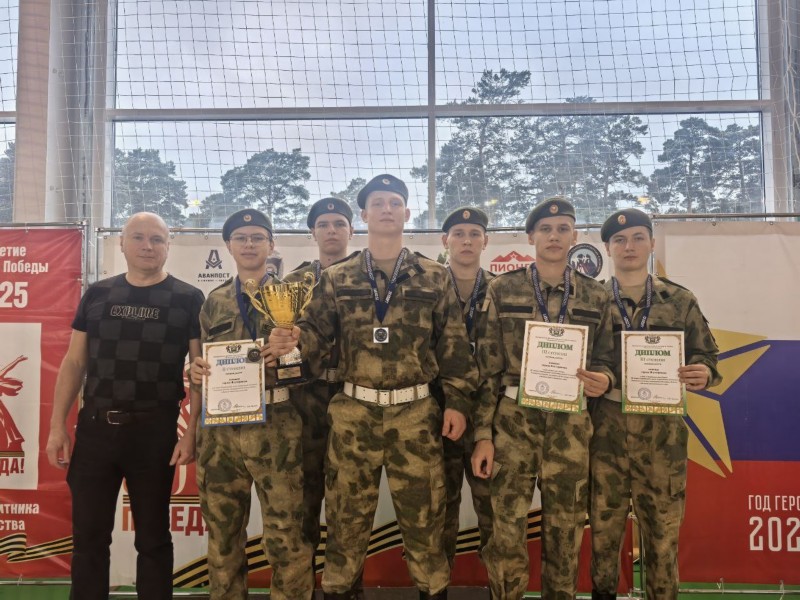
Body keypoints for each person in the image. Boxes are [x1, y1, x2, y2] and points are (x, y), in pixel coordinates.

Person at [269, 174, 478, 600]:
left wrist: (457, 402)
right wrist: (293, 342)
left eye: (394, 202)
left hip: (416, 415)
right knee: (345, 523)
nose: (386, 209)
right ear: (364, 215)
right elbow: (316, 336)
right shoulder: (337, 277)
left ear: (406, 213)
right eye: (378, 203)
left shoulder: (434, 276)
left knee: (425, 522)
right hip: (353, 414)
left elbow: (454, 347)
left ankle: (432, 589)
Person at [45, 212, 204, 600]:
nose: (147, 246)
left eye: (157, 239)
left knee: (153, 537)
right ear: (121, 243)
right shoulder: (97, 294)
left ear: (168, 246)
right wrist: (56, 426)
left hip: (155, 433)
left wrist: (192, 432)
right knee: (88, 536)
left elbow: (201, 370)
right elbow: (74, 362)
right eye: (138, 237)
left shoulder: (188, 298)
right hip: (95, 431)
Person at [470, 197, 615, 600]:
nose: (554, 236)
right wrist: (483, 435)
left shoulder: (595, 295)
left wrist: (604, 378)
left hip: (571, 426)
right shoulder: (502, 289)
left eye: (563, 229)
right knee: (506, 530)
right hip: (513, 422)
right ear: (531, 236)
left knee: (565, 532)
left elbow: (607, 357)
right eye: (546, 229)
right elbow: (487, 370)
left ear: (574, 236)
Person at [589, 209, 721, 600]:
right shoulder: (591, 300)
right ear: (608, 248)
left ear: (651, 243)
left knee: (662, 538)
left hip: (662, 436)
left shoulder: (679, 299)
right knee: (603, 537)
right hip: (604, 432)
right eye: (619, 240)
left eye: (637, 238)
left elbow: (707, 356)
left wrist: (704, 372)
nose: (628, 246)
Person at [188, 208, 314, 600]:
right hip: (222, 432)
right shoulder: (214, 301)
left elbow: (314, 357)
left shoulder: (293, 297)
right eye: (241, 238)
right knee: (223, 538)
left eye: (258, 237)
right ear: (228, 246)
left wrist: (292, 351)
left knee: (287, 536)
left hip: (278, 425)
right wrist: (196, 371)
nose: (249, 244)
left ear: (271, 245)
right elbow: (201, 359)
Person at [283, 197, 355, 569]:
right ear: (313, 232)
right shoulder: (292, 284)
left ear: (351, 231)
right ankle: (304, 584)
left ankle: (345, 587)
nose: (331, 231)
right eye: (324, 224)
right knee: (304, 495)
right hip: (305, 398)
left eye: (339, 224)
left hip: (351, 396)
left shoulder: (366, 277)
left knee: (349, 501)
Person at [436, 206, 495, 568]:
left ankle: (498, 587)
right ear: (446, 241)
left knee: (494, 513)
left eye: (474, 234)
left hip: (489, 417)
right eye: (459, 234)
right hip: (438, 414)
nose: (467, 241)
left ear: (485, 241)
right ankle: (437, 587)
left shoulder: (503, 290)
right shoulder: (426, 287)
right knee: (438, 513)